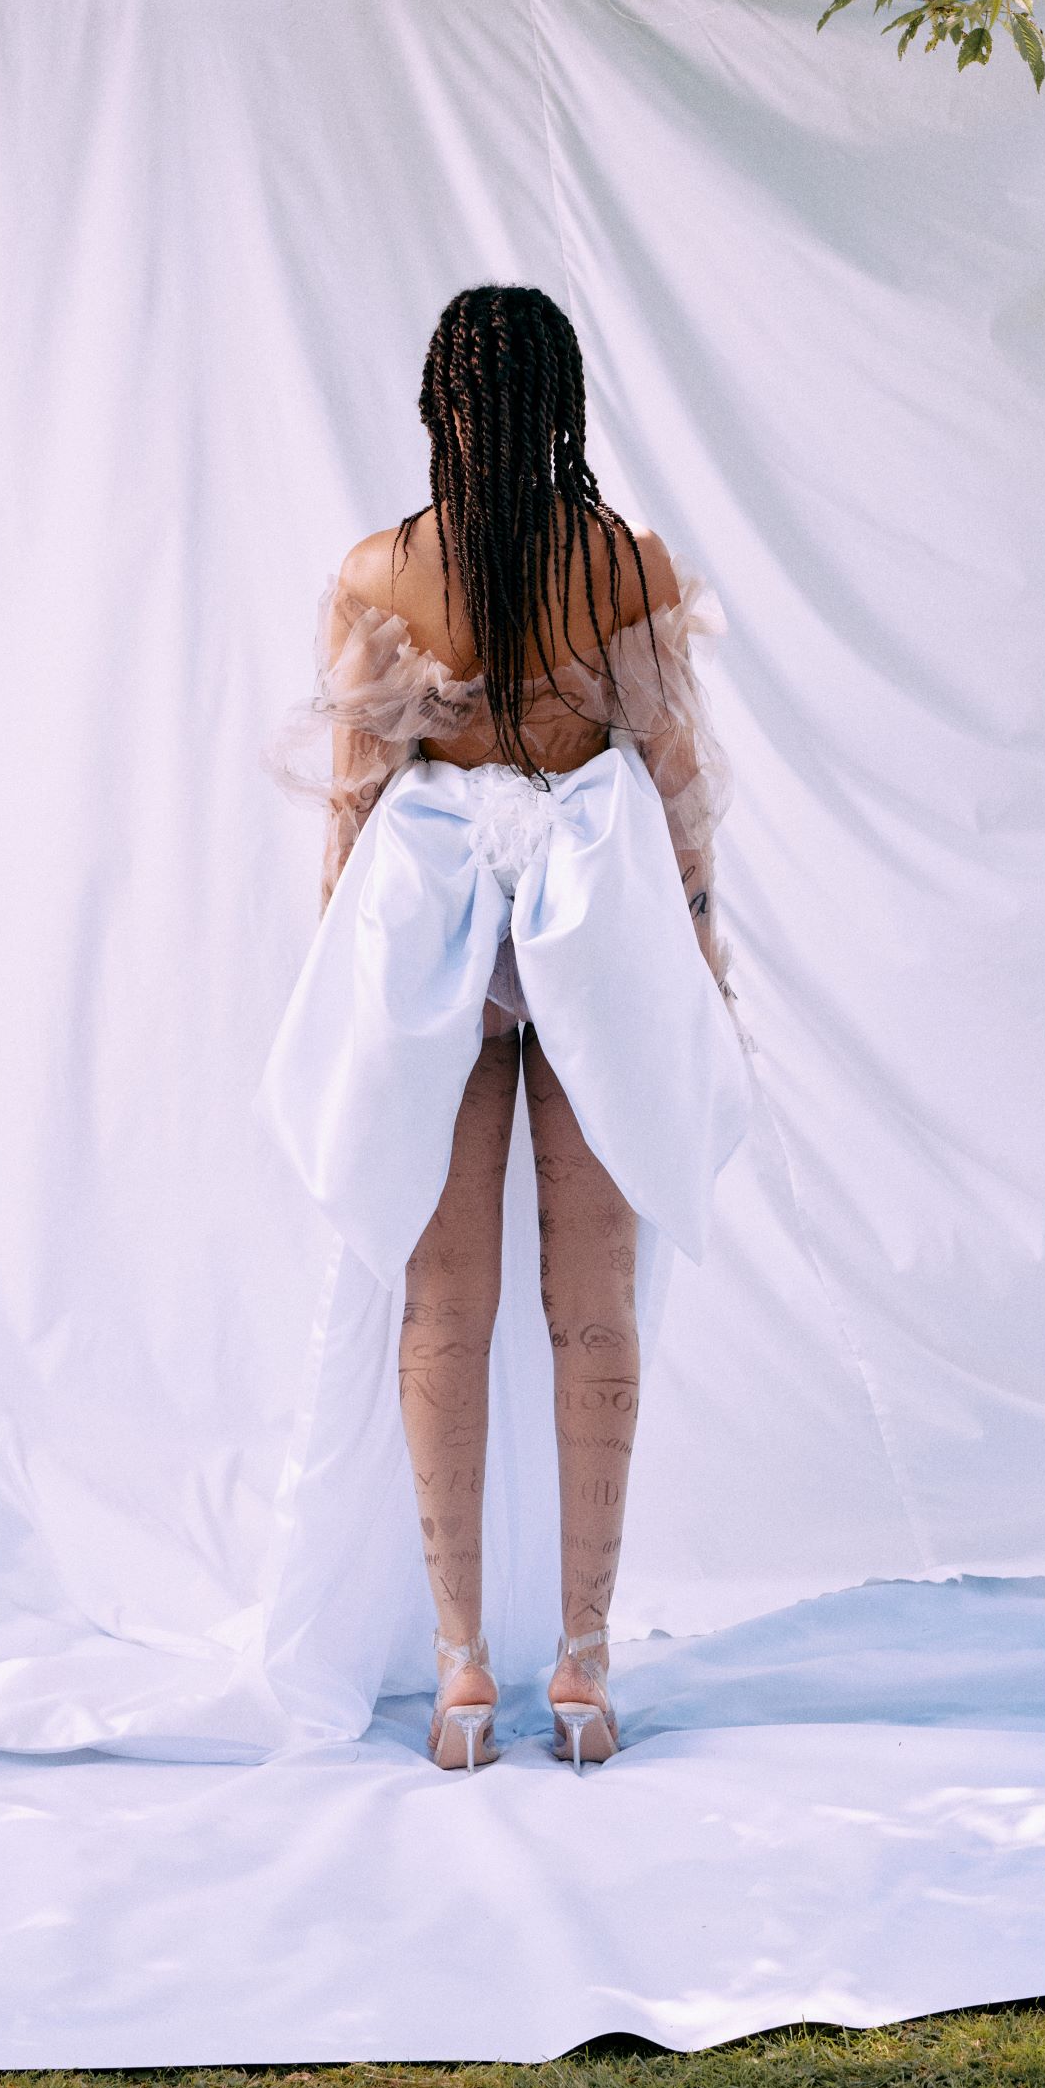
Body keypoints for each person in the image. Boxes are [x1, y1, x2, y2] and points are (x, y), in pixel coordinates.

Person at [255, 284, 753, 1778]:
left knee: (443, 1304)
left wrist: (347, 976)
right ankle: (585, 1665)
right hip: (597, 938)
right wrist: (704, 963)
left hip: (436, 945)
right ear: (563, 406)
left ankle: (463, 1665)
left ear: (440, 406)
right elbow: (675, 786)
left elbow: (354, 811)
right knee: (593, 1303)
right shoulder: (623, 562)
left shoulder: (380, 572)